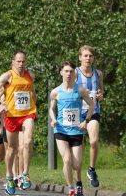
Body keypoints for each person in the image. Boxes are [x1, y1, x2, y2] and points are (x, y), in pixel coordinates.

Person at [0, 50, 37, 195]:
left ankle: (25, 174)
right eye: (18, 61)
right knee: (12, 148)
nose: (21, 64)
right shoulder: (8, 76)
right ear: (13, 62)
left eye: (23, 61)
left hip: (28, 113)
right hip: (11, 115)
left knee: (27, 142)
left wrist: (34, 106)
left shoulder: (30, 76)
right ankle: (9, 176)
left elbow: (32, 93)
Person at [50, 61, 95, 196]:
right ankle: (70, 188)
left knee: (76, 164)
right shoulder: (56, 92)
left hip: (76, 131)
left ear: (74, 73)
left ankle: (79, 182)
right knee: (67, 159)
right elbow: (51, 109)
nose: (69, 74)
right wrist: (53, 119)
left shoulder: (80, 90)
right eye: (66, 71)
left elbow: (92, 105)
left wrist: (86, 121)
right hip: (61, 130)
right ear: (61, 73)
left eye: (71, 71)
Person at [76, 45, 104, 187]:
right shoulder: (74, 73)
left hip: (93, 112)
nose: (88, 58)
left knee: (93, 141)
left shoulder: (98, 74)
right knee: (77, 149)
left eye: (90, 56)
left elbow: (101, 92)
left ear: (93, 58)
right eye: (85, 56)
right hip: (76, 114)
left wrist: (100, 96)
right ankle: (77, 181)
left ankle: (92, 169)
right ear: (80, 57)